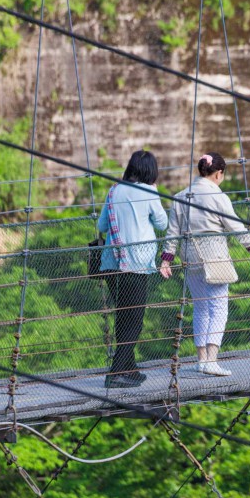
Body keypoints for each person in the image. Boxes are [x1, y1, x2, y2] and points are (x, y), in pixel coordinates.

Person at [160, 152, 250, 376]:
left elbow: (172, 233)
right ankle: (212, 361)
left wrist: (167, 259)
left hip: (190, 258)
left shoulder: (180, 197)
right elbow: (237, 229)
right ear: (219, 174)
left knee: (201, 308)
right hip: (215, 258)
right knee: (219, 308)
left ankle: (202, 360)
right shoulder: (218, 197)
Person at [97, 150, 169, 388]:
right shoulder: (148, 191)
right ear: (151, 171)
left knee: (123, 315)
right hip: (136, 263)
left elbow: (102, 225)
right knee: (135, 319)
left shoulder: (113, 190)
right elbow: (162, 223)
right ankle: (116, 372)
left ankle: (129, 367)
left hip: (110, 264)